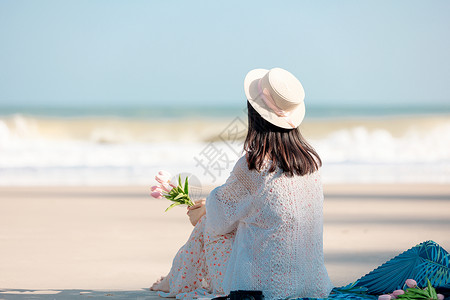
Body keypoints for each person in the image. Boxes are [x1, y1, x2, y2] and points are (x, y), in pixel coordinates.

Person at [151, 67, 334, 299]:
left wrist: (204, 212)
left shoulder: (254, 165)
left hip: (265, 290)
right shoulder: (311, 163)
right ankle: (174, 278)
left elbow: (218, 222)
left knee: (208, 225)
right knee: (239, 218)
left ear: (254, 114)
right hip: (313, 283)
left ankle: (175, 280)